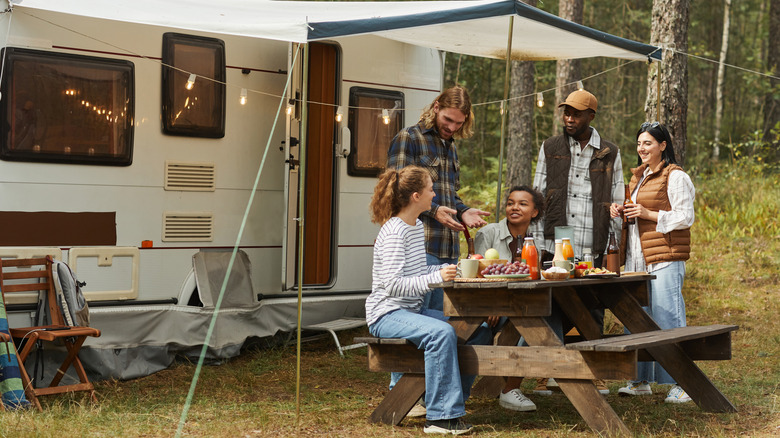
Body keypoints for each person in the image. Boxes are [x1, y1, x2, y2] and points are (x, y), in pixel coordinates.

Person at [366, 165, 489, 435]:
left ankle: (451, 400)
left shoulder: (414, 226)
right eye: (430, 190)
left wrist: (451, 270)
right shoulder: (395, 232)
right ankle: (441, 418)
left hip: (413, 311)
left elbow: (418, 274)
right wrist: (435, 278)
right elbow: (392, 286)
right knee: (442, 333)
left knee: (477, 329)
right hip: (386, 314)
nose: (434, 195)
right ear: (415, 196)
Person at [530, 89, 624, 395]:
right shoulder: (551, 146)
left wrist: (615, 243)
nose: (569, 119)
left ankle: (592, 372)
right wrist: (534, 238)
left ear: (591, 117)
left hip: (593, 240)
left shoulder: (609, 151)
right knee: (553, 305)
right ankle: (550, 373)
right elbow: (538, 193)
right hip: (558, 237)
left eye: (576, 114)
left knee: (593, 307)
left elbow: (618, 199)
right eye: (566, 113)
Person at [610, 122, 695, 404]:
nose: (641, 149)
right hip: (637, 259)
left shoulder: (676, 176)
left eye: (647, 143)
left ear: (663, 145)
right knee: (638, 318)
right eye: (638, 144)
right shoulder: (639, 177)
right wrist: (621, 210)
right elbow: (636, 216)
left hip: (664, 259)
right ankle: (640, 380)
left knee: (668, 318)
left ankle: (683, 383)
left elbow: (685, 216)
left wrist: (648, 212)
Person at [387, 86, 490, 312]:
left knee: (444, 314)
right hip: (420, 246)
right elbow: (396, 191)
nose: (452, 127)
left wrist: (462, 211)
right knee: (423, 315)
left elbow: (449, 194)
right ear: (436, 107)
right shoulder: (409, 138)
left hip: (449, 249)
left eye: (459, 123)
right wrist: (435, 212)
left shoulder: (450, 146)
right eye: (448, 119)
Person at [474, 185, 544, 412]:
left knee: (544, 319)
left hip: (519, 306)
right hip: (487, 307)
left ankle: (510, 388)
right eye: (511, 203)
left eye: (523, 204)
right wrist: (495, 303)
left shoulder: (535, 242)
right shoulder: (489, 233)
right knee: (531, 321)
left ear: (534, 212)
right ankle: (509, 387)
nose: (515, 207)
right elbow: (479, 274)